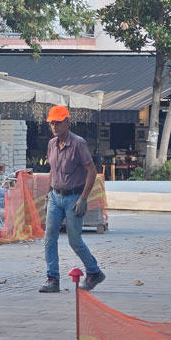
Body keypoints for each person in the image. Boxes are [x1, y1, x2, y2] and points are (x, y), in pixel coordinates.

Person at [39, 105, 105, 293]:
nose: (54, 126)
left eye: (58, 123)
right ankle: (52, 278)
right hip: (55, 196)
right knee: (49, 237)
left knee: (74, 240)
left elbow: (91, 171)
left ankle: (94, 271)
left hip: (74, 197)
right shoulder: (52, 144)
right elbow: (53, 170)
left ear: (67, 123)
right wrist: (48, 195)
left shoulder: (78, 144)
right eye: (52, 123)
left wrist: (84, 198)